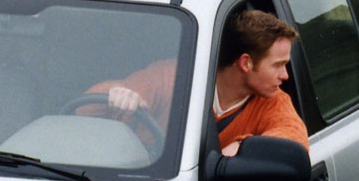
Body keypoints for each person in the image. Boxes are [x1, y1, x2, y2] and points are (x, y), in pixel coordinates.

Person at [86, 8, 308, 155]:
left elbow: (295, 142)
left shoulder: (272, 101)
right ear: (246, 63)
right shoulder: (172, 76)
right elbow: (85, 110)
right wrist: (115, 93)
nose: (285, 75)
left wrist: (242, 147)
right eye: (278, 65)